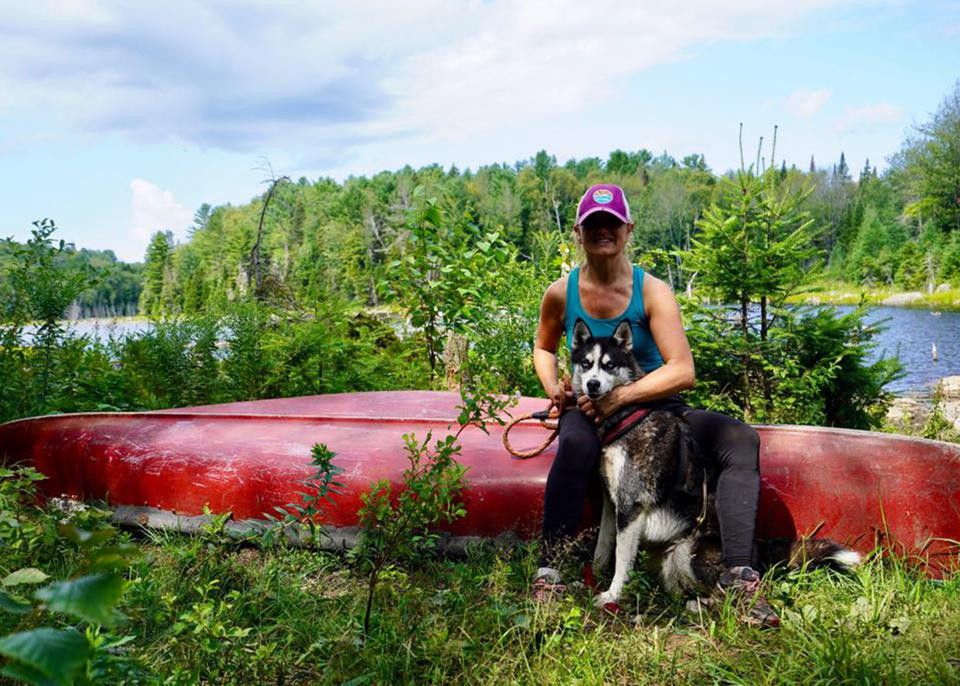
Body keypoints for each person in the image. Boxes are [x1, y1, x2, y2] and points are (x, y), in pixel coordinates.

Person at [531, 183, 778, 628]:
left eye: (611, 224)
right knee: (575, 449)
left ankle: (738, 577)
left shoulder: (652, 291)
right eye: (593, 225)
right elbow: (544, 347)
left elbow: (682, 370)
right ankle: (550, 573)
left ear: (628, 229)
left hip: (654, 405)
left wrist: (621, 396)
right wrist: (553, 387)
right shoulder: (560, 293)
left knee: (740, 439)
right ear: (578, 233)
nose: (602, 231)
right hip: (587, 408)